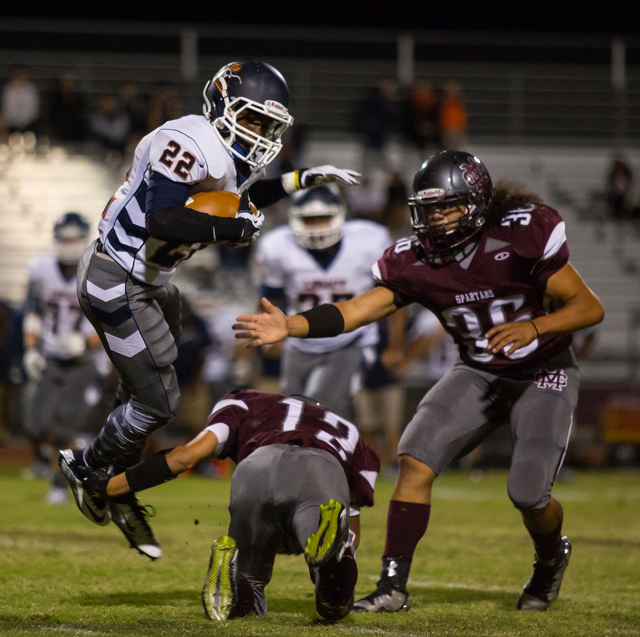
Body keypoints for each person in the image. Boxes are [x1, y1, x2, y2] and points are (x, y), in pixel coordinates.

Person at [233, 150, 605, 612]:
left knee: (528, 493)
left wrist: (534, 327)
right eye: (428, 208)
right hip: (479, 370)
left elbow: (588, 308)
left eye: (446, 206)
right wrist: (292, 325)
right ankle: (392, 587)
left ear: (478, 202)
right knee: (414, 459)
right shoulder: (416, 259)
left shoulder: (520, 235)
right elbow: (356, 311)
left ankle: (551, 559)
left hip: (543, 370)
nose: (436, 218)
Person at [59, 59, 360, 560]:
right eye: (254, 119)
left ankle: (113, 480)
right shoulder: (188, 141)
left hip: (155, 283)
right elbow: (163, 217)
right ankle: (90, 468)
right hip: (116, 278)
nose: (260, 133)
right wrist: (230, 229)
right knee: (159, 403)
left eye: (269, 125)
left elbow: (244, 194)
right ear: (221, 104)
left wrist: (304, 178)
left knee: (146, 386)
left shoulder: (228, 150)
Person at [75, 389, 380, 621]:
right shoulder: (348, 430)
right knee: (335, 597)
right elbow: (352, 524)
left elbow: (186, 457)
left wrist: (108, 486)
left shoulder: (244, 400)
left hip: (256, 468)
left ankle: (237, 581)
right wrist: (345, 547)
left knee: (250, 580)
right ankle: (329, 563)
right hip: (320, 471)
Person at [255, 185, 392, 417]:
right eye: (310, 219)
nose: (318, 226)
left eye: (324, 217)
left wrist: (395, 344)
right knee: (293, 413)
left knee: (318, 408)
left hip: (350, 340)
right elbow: (270, 297)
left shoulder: (368, 242)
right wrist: (268, 332)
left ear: (340, 215)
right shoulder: (278, 246)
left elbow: (392, 297)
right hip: (299, 342)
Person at [22, 213, 102, 503]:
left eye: (72, 238)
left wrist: (84, 342)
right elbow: (33, 313)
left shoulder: (97, 270)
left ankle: (60, 479)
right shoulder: (42, 268)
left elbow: (112, 324)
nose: (68, 244)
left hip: (83, 360)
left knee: (65, 425)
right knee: (35, 424)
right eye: (64, 238)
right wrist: (31, 350)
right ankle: (80, 457)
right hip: (50, 355)